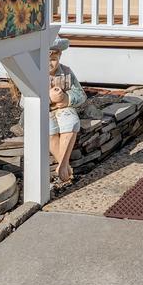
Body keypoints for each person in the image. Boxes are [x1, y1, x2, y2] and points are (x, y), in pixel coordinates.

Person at [47, 39, 86, 186]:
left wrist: (66, 98)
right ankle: (65, 166)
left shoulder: (67, 73)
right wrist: (49, 98)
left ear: (59, 57)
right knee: (48, 128)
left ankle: (62, 166)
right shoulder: (34, 75)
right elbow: (24, 101)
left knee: (71, 122)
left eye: (53, 59)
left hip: (63, 108)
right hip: (43, 111)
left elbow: (81, 94)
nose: (49, 64)